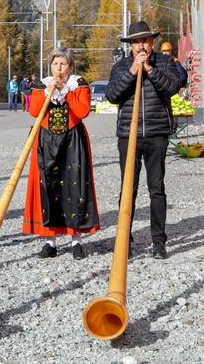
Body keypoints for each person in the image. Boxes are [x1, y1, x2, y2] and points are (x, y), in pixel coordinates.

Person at [105, 21, 181, 259]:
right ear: (130, 46)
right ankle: (124, 241)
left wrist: (149, 70)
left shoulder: (166, 62)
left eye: (145, 41)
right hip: (128, 135)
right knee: (128, 189)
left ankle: (159, 242)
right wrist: (132, 72)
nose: (141, 46)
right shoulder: (120, 67)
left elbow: (172, 88)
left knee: (156, 188)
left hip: (157, 134)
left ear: (152, 42)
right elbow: (112, 96)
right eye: (136, 42)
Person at [22, 48, 99, 260]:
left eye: (63, 64)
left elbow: (82, 111)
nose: (59, 68)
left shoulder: (79, 84)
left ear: (70, 66)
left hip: (73, 140)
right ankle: (50, 241)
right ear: (51, 66)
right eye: (56, 64)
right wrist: (48, 91)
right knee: (48, 186)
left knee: (75, 186)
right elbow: (35, 111)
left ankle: (76, 241)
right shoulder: (41, 84)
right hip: (46, 140)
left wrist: (66, 90)